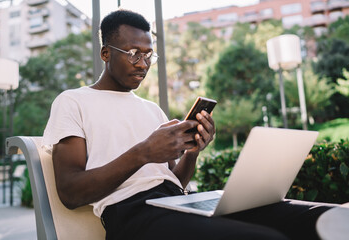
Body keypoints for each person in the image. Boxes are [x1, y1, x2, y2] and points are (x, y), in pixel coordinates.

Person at [43, 9, 334, 240]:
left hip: (179, 204)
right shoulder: (73, 101)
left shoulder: (151, 109)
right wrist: (144, 152)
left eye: (148, 55)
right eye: (133, 53)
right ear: (106, 53)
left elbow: (174, 182)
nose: (143, 63)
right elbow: (70, 192)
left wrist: (193, 150)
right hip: (131, 216)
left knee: (317, 217)